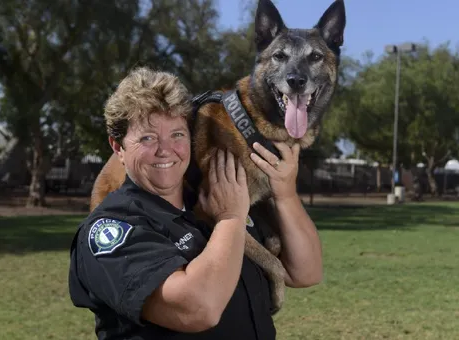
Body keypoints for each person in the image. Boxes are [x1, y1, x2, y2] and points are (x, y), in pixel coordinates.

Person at [68, 67, 323, 340]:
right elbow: (198, 309)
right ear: (118, 147)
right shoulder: (113, 226)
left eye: (177, 134)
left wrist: (285, 194)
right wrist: (230, 220)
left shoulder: (217, 195)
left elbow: (306, 273)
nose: (165, 150)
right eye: (147, 138)